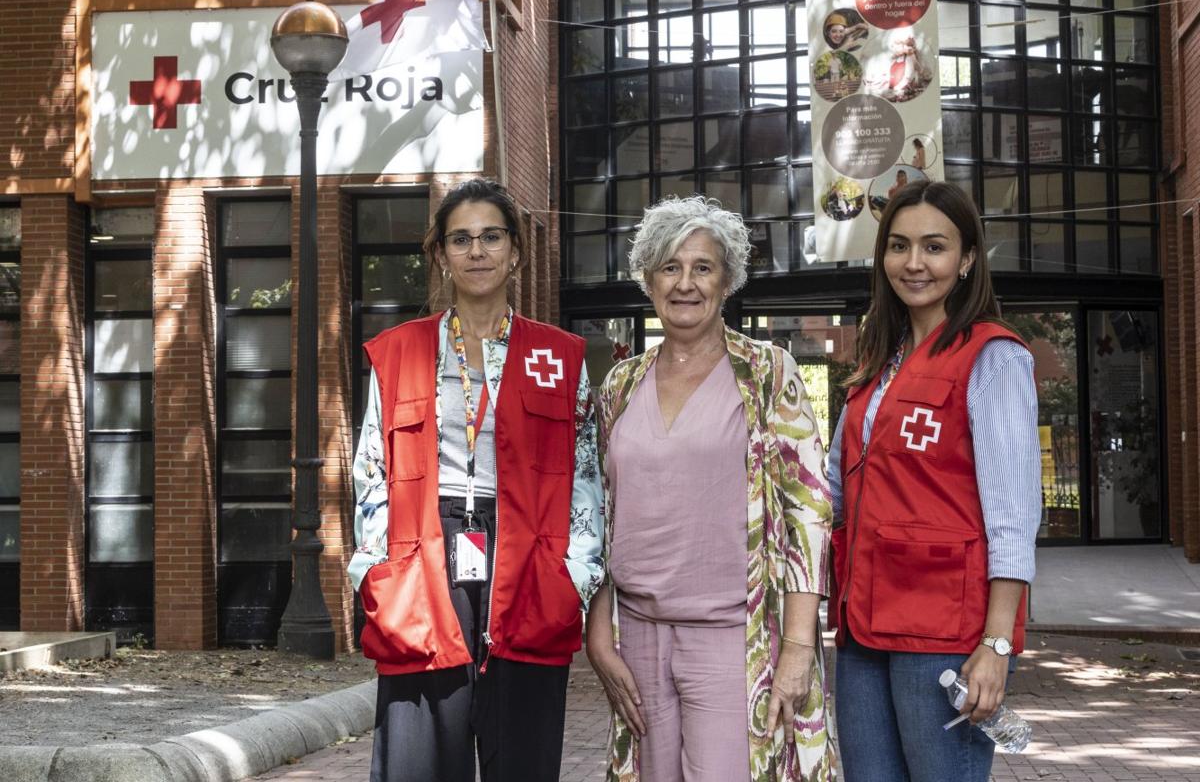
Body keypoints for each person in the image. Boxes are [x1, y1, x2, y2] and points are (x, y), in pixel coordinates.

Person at [349, 178, 604, 782]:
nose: (477, 251)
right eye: (460, 239)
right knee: (417, 761)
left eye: (491, 236)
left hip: (530, 563)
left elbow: (588, 475)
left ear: (515, 251)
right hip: (422, 559)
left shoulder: (559, 356)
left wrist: (577, 576)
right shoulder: (401, 351)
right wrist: (375, 571)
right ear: (439, 254)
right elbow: (370, 470)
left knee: (523, 755)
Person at [586, 196, 837, 782]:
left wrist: (798, 647)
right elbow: (597, 516)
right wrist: (599, 634)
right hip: (638, 636)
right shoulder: (621, 383)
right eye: (670, 267)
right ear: (648, 279)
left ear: (727, 282)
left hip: (734, 636)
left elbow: (808, 513)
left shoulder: (768, 373)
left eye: (703, 267)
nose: (685, 283)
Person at [827, 180, 1041, 782]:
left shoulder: (993, 358)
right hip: (864, 624)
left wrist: (997, 646)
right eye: (898, 246)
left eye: (934, 247)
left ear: (968, 258)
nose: (914, 263)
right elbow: (833, 493)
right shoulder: (877, 362)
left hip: (945, 631)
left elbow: (1013, 513)